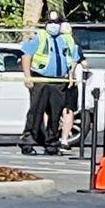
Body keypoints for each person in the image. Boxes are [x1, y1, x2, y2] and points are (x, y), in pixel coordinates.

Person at [18, 11, 80, 155]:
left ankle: (51, 143)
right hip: (40, 80)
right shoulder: (39, 37)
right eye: (51, 23)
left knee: (55, 114)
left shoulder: (66, 39)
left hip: (58, 82)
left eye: (56, 23)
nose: (53, 26)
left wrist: (71, 75)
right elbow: (26, 56)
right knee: (36, 112)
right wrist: (28, 77)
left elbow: (72, 59)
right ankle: (27, 142)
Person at [59, 22, 89, 152]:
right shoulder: (74, 46)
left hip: (54, 80)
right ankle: (64, 140)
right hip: (71, 82)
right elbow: (85, 64)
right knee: (68, 111)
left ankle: (51, 137)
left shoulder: (54, 44)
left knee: (49, 110)